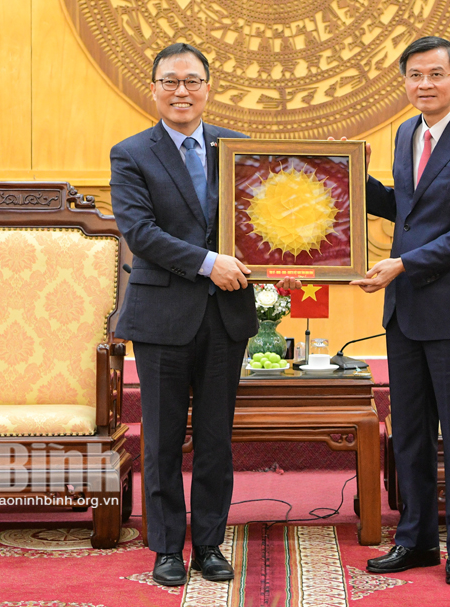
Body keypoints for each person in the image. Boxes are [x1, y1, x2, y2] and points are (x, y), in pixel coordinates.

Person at [110, 43, 297, 586]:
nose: (181, 91)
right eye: (170, 81)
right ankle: (167, 548)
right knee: (164, 439)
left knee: (216, 439)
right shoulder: (131, 153)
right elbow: (140, 233)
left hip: (225, 317)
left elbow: (266, 217)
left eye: (192, 81)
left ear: (208, 89)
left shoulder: (238, 149)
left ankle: (210, 544)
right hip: (163, 316)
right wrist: (208, 262)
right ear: (154, 89)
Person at [349, 36, 450, 585]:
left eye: (435, 74)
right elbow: (407, 209)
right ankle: (415, 539)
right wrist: (351, 176)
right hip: (406, 312)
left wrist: (402, 265)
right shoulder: (405, 134)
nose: (425, 84)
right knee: (411, 434)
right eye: (415, 76)